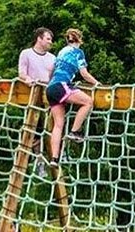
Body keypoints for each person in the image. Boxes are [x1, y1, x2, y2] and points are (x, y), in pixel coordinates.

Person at [46, 28, 100, 167]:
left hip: (50, 88)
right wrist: (96, 83)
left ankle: (54, 158)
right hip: (61, 85)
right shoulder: (78, 53)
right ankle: (75, 131)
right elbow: (84, 73)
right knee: (88, 102)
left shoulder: (62, 51)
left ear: (67, 40)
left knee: (58, 125)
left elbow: (53, 71)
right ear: (80, 40)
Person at [18, 27, 56, 176]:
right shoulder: (26, 54)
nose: (50, 42)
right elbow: (22, 73)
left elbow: (53, 76)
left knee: (53, 127)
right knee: (35, 131)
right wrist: (28, 80)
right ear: (39, 38)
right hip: (32, 96)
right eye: (48, 39)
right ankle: (40, 162)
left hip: (48, 96)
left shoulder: (52, 58)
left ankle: (57, 155)